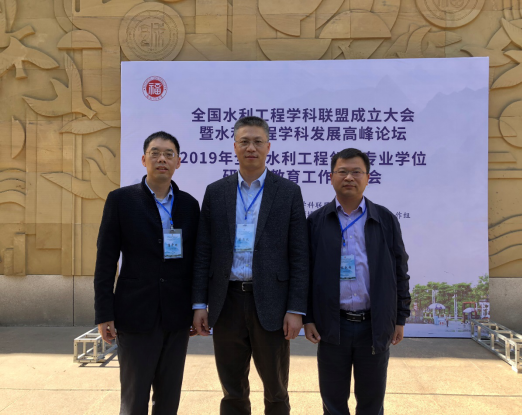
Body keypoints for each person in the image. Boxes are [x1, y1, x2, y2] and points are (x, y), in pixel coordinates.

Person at [192, 116, 309, 415]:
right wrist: (199, 304)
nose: (251, 148)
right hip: (226, 301)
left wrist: (296, 309)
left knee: (276, 390)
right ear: (235, 147)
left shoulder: (288, 192)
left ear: (268, 147)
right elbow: (203, 252)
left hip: (271, 303)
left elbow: (299, 255)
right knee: (232, 391)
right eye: (244, 142)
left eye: (257, 142)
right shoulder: (216, 192)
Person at [94, 131, 200, 415]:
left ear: (178, 162)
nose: (162, 159)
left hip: (176, 316)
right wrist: (104, 313)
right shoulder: (121, 200)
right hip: (135, 314)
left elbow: (196, 261)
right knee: (134, 398)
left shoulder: (189, 205)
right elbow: (106, 261)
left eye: (168, 154)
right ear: (144, 160)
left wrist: (197, 306)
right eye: (155, 153)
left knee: (168, 400)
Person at [304, 148, 411, 415]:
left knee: (371, 405)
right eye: (342, 171)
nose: (349, 177)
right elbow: (305, 273)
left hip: (373, 326)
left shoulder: (385, 219)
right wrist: (309, 318)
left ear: (368, 178)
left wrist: (399, 318)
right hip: (332, 326)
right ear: (331, 177)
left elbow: (400, 271)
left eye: (356, 172)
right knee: (333, 404)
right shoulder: (316, 222)